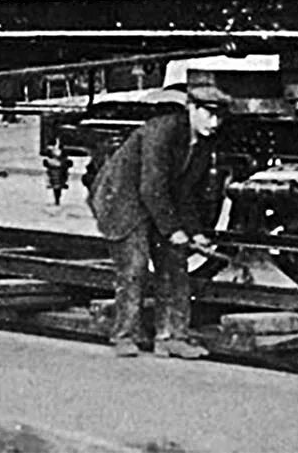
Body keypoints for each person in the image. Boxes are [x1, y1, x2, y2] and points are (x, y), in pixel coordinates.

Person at [86, 85, 228, 358]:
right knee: (134, 268)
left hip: (157, 203)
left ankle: (172, 337)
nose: (214, 123)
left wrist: (195, 233)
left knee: (175, 265)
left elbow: (184, 191)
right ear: (191, 109)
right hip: (123, 202)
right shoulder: (161, 132)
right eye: (208, 115)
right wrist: (173, 229)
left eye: (219, 118)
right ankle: (124, 335)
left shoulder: (203, 142)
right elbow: (151, 187)